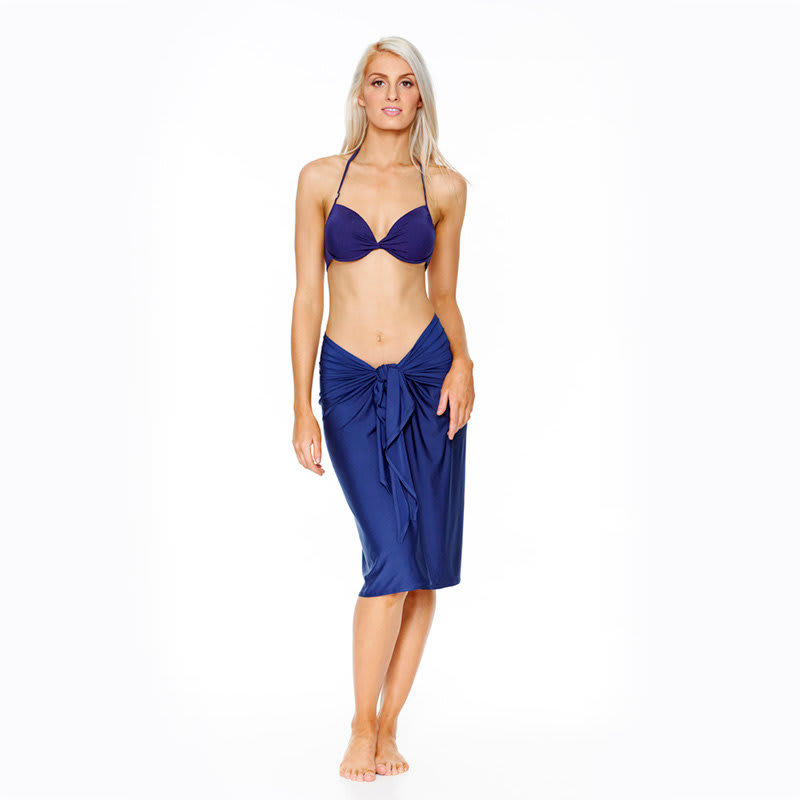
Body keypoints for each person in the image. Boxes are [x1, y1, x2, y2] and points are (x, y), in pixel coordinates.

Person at [290, 36, 474, 782]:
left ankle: (386, 723)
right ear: (360, 94)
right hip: (348, 383)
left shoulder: (445, 187)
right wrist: (300, 405)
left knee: (419, 563)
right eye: (378, 82)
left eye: (405, 82)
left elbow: (445, 295)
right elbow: (308, 297)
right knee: (390, 555)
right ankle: (359, 725)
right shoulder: (319, 179)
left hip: (429, 375)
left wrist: (464, 363)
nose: (391, 94)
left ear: (420, 95)